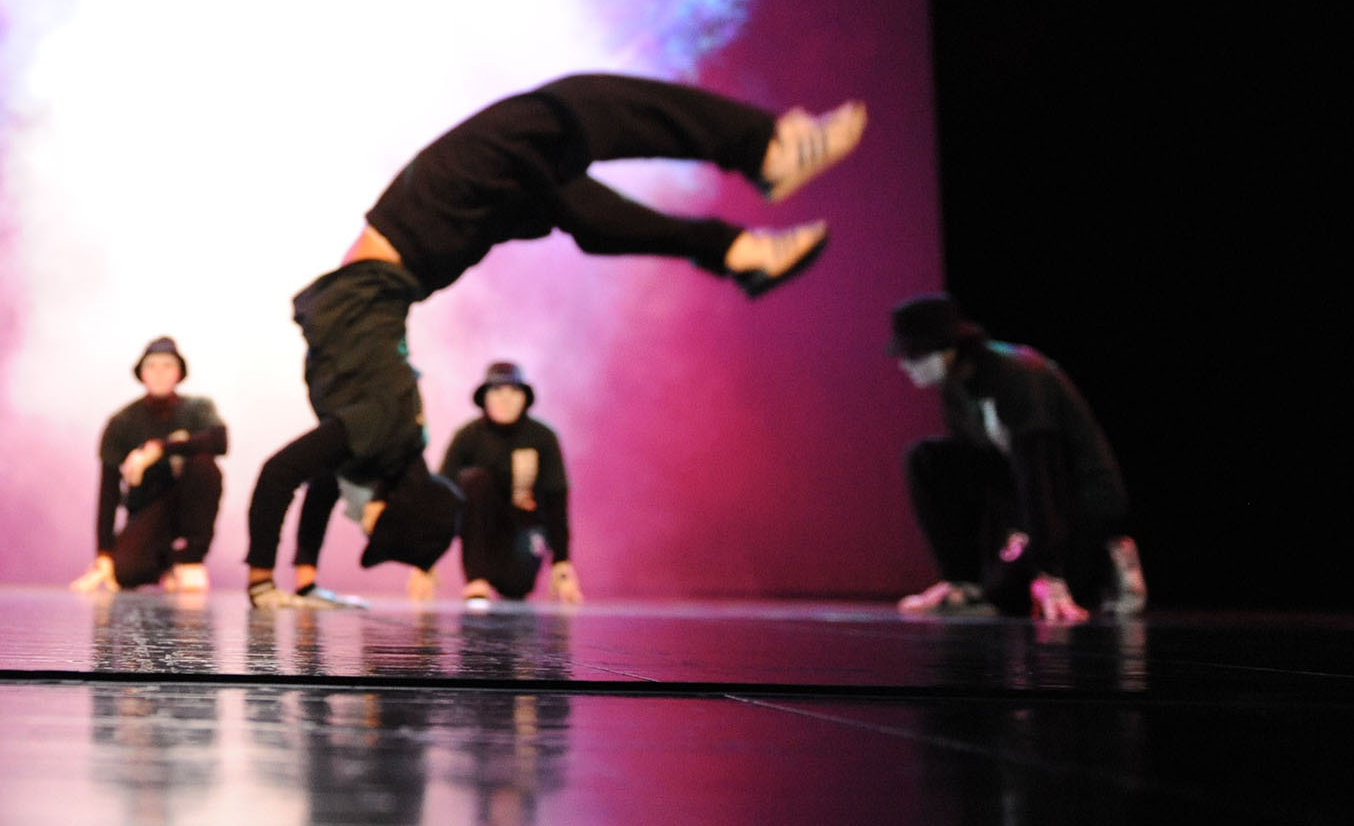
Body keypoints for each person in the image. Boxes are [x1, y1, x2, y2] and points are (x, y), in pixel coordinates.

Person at [243, 72, 864, 611]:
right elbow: (292, 477)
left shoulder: (370, 447)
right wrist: (266, 581)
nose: (358, 523)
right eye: (371, 527)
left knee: (566, 181)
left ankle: (736, 244)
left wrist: (296, 580)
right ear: (386, 507)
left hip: (419, 250)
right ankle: (762, 157)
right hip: (419, 237)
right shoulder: (380, 437)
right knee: (566, 116)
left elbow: (306, 481)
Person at [888, 293, 1146, 622]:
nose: (906, 365)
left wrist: (1049, 571)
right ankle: (963, 582)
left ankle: (1106, 558)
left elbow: (1040, 472)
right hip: (1023, 497)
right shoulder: (955, 386)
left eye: (914, 354)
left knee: (1015, 595)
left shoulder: (1018, 375)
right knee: (926, 458)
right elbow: (988, 472)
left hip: (1076, 498)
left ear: (948, 348)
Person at [71, 337, 229, 594]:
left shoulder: (197, 408)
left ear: (179, 372)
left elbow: (220, 441)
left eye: (167, 366)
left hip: (189, 505)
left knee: (204, 464)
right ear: (141, 373)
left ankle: (190, 558)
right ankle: (167, 564)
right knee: (123, 572)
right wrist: (104, 553)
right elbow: (108, 492)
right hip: (148, 510)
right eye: (152, 366)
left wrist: (160, 449)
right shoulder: (122, 422)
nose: (159, 373)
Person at [437, 361, 579, 606]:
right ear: (485, 397)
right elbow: (440, 497)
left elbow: (556, 500)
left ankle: (507, 577)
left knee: (516, 586)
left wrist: (562, 561)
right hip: (480, 533)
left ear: (524, 397)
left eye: (513, 391)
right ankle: (477, 579)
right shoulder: (468, 436)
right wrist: (426, 560)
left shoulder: (542, 437)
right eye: (497, 390)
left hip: (524, 527)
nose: (505, 398)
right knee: (473, 480)